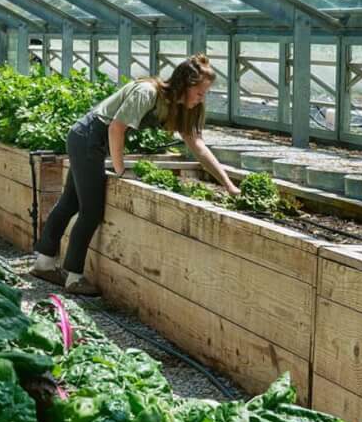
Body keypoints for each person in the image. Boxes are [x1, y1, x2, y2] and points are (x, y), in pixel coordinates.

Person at [32, 54, 235, 296]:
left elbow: (197, 146)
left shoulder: (182, 108)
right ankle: (74, 277)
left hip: (90, 141)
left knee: (71, 202)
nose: (202, 98)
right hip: (87, 138)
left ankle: (44, 264)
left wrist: (229, 185)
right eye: (200, 93)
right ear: (185, 85)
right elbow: (116, 128)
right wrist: (121, 170)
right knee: (91, 210)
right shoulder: (147, 92)